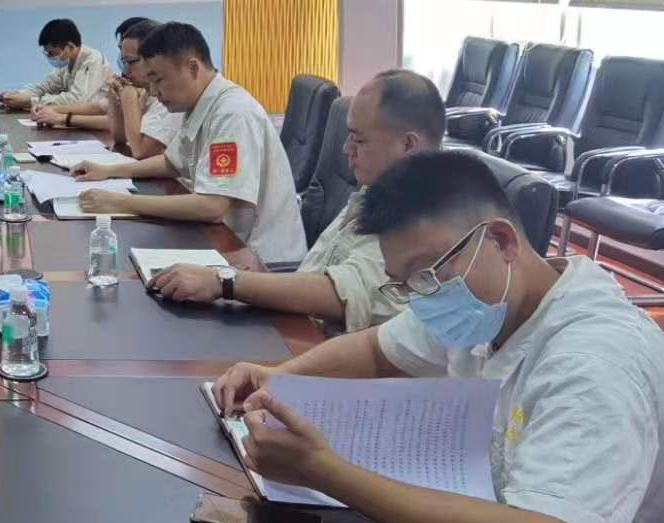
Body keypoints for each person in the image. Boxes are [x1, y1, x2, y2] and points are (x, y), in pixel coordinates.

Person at [213, 150, 664, 523]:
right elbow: (378, 350)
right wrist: (277, 376)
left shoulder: (593, 362)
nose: (421, 296)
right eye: (405, 282)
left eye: (428, 274)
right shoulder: (486, 298)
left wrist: (325, 472)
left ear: (501, 240)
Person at [150, 69, 444, 333]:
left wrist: (224, 281)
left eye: (358, 139)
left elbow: (341, 294)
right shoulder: (380, 187)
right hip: (299, 323)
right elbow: (317, 271)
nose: (346, 148)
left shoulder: (420, 214)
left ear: (407, 144)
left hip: (326, 350)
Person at [71, 21, 306, 264]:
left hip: (261, 260)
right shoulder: (199, 103)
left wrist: (119, 202)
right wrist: (108, 170)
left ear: (192, 68)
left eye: (158, 80)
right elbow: (171, 162)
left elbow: (212, 206)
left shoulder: (232, 114)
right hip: (228, 240)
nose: (153, 92)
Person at [33, 17, 183, 158]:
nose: (125, 68)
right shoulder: (145, 90)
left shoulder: (166, 95)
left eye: (130, 60)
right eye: (123, 59)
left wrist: (128, 100)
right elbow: (120, 137)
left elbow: (141, 152)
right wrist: (114, 100)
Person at [0, 18, 111, 111]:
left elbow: (76, 99)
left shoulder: (93, 60)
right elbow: (44, 88)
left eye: (52, 53)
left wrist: (30, 102)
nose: (51, 58)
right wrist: (17, 96)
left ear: (70, 47)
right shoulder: (66, 63)